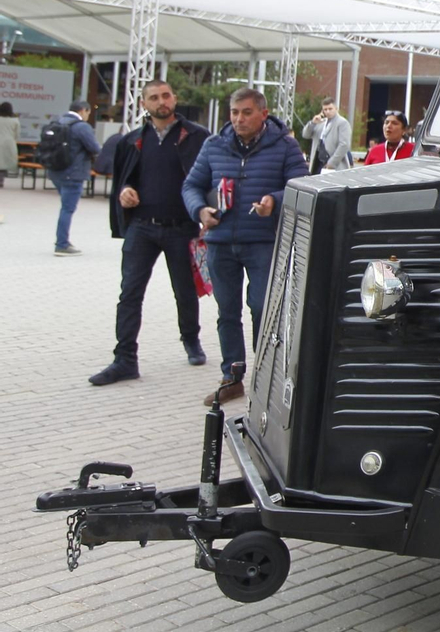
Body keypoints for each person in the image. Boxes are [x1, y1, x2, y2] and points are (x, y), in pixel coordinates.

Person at [184, 87, 307, 406]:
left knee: (262, 307)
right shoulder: (214, 145)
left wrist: (274, 202)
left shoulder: (285, 146)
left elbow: (301, 187)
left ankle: (266, 377)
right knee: (227, 311)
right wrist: (200, 210)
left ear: (263, 114)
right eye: (234, 112)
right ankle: (232, 376)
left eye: (247, 112)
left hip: (263, 242)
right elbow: (191, 185)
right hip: (220, 242)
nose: (239, 119)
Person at [88, 80, 211, 386]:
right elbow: (124, 180)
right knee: (129, 293)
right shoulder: (132, 140)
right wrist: (125, 191)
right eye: (154, 97)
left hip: (181, 227)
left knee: (185, 290)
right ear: (144, 104)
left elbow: (210, 178)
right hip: (141, 227)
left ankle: (191, 339)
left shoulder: (197, 137)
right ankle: (125, 359)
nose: (161, 101)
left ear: (175, 98)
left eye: (166, 95)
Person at [41, 98, 101, 256]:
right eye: (88, 112)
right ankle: (62, 244)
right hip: (74, 173)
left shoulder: (58, 122)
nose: (88, 116)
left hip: (55, 172)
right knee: (67, 209)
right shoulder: (82, 127)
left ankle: (62, 242)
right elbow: (94, 148)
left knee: (65, 206)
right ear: (83, 110)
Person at [301, 97, 352, 174]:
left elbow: (344, 145)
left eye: (330, 109)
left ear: (336, 109)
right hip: (317, 163)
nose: (328, 111)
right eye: (325, 109)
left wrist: (331, 163)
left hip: (334, 165)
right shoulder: (320, 122)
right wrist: (312, 123)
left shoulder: (342, 123)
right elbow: (305, 135)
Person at [0, 101, 17, 187]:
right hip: (9, 143)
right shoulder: (15, 121)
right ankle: (1, 180)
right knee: (3, 163)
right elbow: (16, 134)